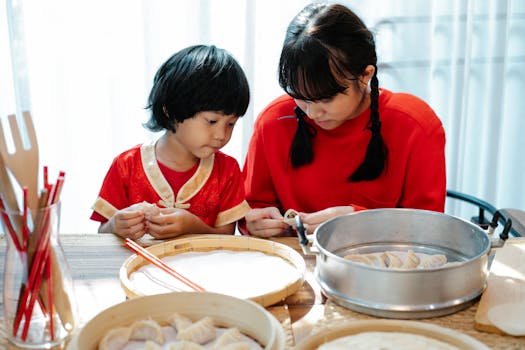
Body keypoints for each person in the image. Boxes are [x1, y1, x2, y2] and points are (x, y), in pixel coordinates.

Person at [242, 3, 446, 237]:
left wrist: (361, 223)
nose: (312, 113)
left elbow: (429, 230)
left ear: (365, 76)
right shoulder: (274, 122)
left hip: (381, 270)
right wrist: (256, 223)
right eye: (300, 97)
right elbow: (250, 208)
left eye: (326, 98)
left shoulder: (415, 126)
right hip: (291, 265)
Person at [91, 45, 251, 240]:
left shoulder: (227, 170)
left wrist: (192, 226)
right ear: (171, 110)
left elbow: (226, 238)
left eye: (231, 124)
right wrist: (115, 225)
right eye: (212, 121)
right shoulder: (126, 166)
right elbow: (102, 234)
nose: (221, 135)